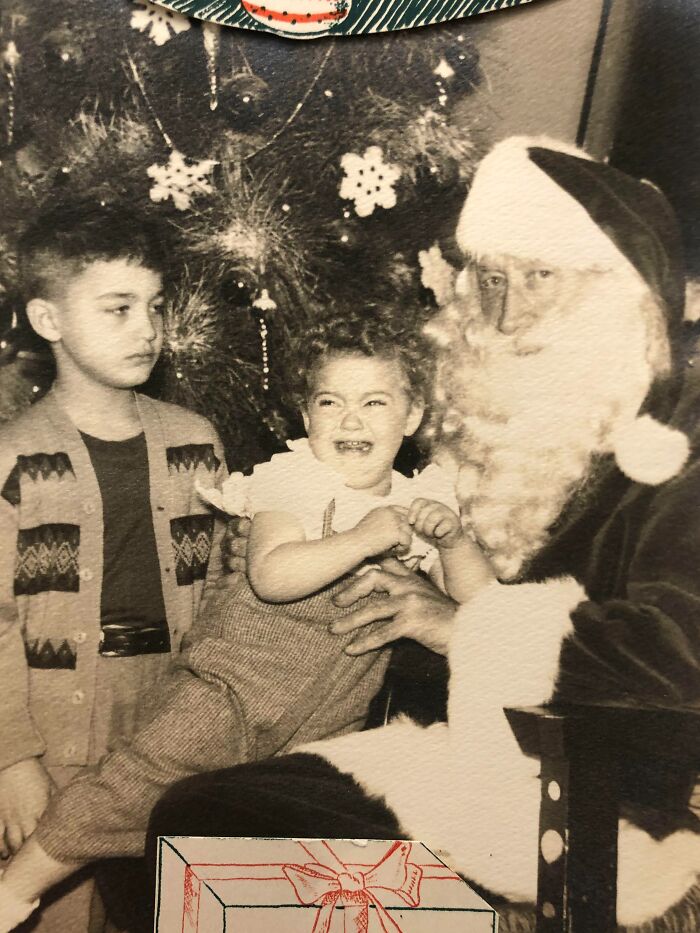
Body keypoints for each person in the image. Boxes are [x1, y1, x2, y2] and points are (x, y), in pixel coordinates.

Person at [141, 137, 700, 931]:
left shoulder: (680, 440)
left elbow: (677, 653)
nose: (507, 315)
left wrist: (464, 626)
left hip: (598, 797)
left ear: (614, 290)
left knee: (236, 838)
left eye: (540, 277)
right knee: (199, 813)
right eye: (493, 280)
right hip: (469, 754)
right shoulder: (507, 426)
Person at [0, 306, 492, 931]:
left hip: (331, 716)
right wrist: (364, 539)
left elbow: (481, 608)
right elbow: (273, 575)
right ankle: (16, 888)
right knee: (132, 785)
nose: (351, 420)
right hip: (231, 689)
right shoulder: (294, 483)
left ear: (413, 416)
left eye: (374, 403)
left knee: (258, 836)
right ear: (306, 416)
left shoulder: (416, 501)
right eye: (330, 403)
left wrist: (454, 543)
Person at [0, 200, 227, 932]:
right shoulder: (14, 459)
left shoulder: (195, 442)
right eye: (119, 308)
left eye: (155, 306)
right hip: (55, 721)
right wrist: (13, 759)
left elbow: (224, 586)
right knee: (58, 911)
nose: (148, 328)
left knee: (169, 907)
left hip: (174, 711)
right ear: (49, 319)